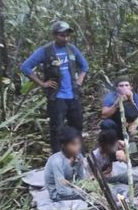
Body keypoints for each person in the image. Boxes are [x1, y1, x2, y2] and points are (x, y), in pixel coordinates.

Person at [21, 21, 89, 153]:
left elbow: (85, 66)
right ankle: (58, 157)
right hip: (56, 97)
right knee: (56, 129)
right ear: (54, 35)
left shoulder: (72, 49)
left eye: (67, 35)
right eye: (62, 36)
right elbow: (25, 67)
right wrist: (42, 83)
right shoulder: (45, 51)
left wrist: (79, 81)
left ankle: (80, 156)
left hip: (73, 96)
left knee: (77, 127)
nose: (66, 38)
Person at [44, 126, 87, 201]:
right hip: (58, 193)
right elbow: (62, 190)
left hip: (73, 187)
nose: (77, 147)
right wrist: (81, 192)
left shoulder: (79, 156)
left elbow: (81, 178)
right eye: (73, 144)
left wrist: (84, 187)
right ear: (63, 145)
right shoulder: (57, 162)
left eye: (79, 143)